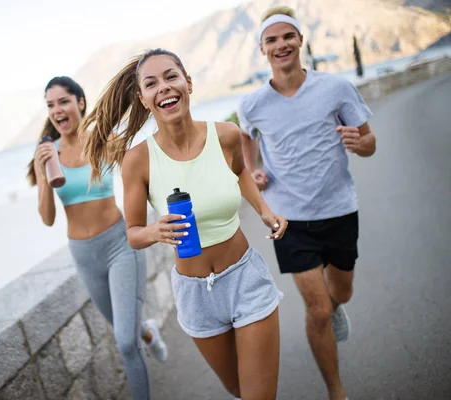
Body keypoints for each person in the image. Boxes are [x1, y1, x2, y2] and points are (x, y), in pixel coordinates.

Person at [82, 49, 288, 400]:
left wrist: (264, 210)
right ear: (143, 99)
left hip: (245, 279)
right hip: (195, 295)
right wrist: (153, 231)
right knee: (239, 388)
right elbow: (132, 234)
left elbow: (239, 172)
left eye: (171, 76)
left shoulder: (226, 135)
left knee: (258, 395)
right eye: (151, 83)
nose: (163, 87)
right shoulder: (137, 160)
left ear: (188, 83)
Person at [237, 6, 376, 400]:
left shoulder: (336, 89)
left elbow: (369, 142)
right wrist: (253, 170)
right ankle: (336, 391)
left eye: (287, 37)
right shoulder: (252, 104)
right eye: (272, 40)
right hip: (288, 218)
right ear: (262, 49)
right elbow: (246, 138)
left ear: (300, 40)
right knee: (316, 311)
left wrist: (359, 143)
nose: (281, 45)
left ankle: (337, 305)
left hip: (339, 208)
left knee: (341, 293)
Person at [26, 76, 168, 400]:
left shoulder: (104, 142)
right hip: (84, 255)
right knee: (126, 330)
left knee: (125, 343)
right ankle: (149, 332)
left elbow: (143, 176)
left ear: (79, 102)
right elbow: (47, 219)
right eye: (50, 105)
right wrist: (43, 172)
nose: (57, 110)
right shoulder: (48, 155)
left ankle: (141, 342)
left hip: (120, 245)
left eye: (63, 101)